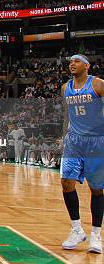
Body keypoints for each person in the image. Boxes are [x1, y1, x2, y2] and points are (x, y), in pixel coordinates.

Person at [60, 54, 104, 254]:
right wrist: (64, 135)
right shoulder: (65, 88)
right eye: (70, 61)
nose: (72, 64)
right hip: (74, 141)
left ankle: (96, 234)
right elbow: (67, 115)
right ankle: (77, 229)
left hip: (96, 141)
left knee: (96, 189)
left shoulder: (97, 84)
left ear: (86, 66)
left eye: (76, 61)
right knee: (66, 183)